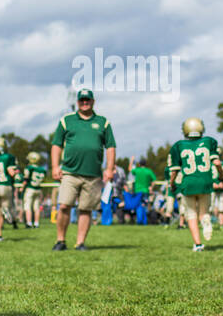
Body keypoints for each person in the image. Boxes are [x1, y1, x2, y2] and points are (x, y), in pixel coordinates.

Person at [50, 88, 116, 251]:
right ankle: (60, 240)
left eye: (88, 100)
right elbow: (56, 144)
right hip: (70, 172)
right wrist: (55, 166)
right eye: (82, 100)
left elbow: (110, 146)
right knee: (64, 205)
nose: (85, 103)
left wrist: (109, 168)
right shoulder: (67, 120)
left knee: (85, 209)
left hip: (93, 174)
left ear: (93, 101)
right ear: (77, 102)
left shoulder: (103, 122)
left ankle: (80, 242)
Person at [167, 117, 223, 251]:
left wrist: (172, 183)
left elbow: (174, 170)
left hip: (189, 183)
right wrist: (221, 176)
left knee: (191, 214)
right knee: (204, 212)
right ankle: (205, 219)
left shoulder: (178, 145)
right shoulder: (209, 141)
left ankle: (198, 244)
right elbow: (217, 163)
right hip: (205, 182)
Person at [123, 157, 153, 226]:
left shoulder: (137, 170)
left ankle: (139, 221)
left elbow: (130, 169)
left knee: (139, 206)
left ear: (139, 164)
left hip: (138, 191)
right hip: (146, 191)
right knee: (144, 205)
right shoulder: (149, 171)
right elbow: (153, 180)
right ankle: (145, 222)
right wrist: (151, 187)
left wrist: (131, 160)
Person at [21, 152, 48, 228]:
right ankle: (36, 223)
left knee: (28, 207)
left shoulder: (29, 168)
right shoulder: (42, 169)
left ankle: (29, 223)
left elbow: (26, 178)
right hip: (38, 189)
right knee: (36, 208)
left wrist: (22, 187)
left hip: (30, 189)